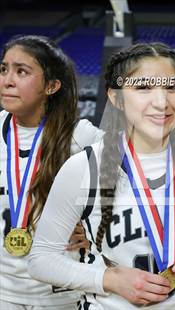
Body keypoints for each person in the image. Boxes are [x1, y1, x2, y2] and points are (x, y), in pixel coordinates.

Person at [28, 42, 175, 309]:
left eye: (172, 87)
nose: (161, 101)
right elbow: (41, 259)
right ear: (115, 97)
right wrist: (108, 279)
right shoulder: (83, 167)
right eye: (143, 87)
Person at [0, 35, 103, 309]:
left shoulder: (81, 137)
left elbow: (136, 182)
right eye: (3, 69)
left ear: (51, 85)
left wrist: (96, 231)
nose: (7, 80)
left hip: (61, 295)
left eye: (21, 71)